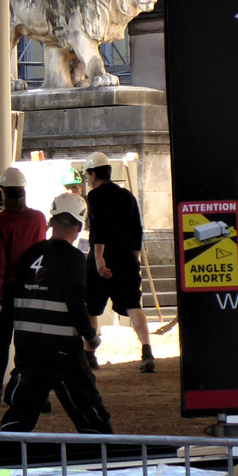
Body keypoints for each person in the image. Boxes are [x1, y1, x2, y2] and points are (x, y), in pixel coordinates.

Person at [0, 193, 113, 434]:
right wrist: (91, 336)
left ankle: (4, 460)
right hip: (63, 351)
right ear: (80, 226)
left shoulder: (30, 254)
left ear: (51, 222)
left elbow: (13, 298)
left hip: (28, 347)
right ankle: (106, 459)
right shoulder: (74, 258)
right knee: (90, 412)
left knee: (20, 414)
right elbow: (75, 302)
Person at [82, 151, 155, 373]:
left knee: (91, 307)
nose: (87, 180)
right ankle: (147, 351)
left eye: (88, 175)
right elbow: (138, 230)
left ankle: (89, 355)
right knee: (133, 305)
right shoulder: (128, 196)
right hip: (128, 258)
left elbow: (99, 230)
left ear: (94, 174)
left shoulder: (94, 197)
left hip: (103, 258)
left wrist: (99, 259)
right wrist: (133, 256)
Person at [0, 167, 48, 408]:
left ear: (4, 193)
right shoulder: (39, 218)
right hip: (34, 288)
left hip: (10, 290)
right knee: (33, 342)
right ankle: (41, 396)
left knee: (3, 340)